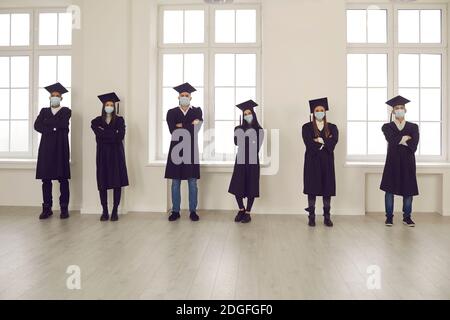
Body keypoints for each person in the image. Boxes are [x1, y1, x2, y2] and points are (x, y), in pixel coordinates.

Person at [165, 82, 203, 222]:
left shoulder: (197, 111)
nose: (185, 97)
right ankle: (175, 211)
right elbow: (172, 131)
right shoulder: (171, 112)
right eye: (182, 95)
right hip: (176, 149)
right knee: (175, 182)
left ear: (191, 98)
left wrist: (181, 125)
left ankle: (193, 211)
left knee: (192, 182)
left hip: (192, 151)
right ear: (178, 97)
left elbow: (196, 129)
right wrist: (189, 125)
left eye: (187, 95)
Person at [380, 95, 419, 227]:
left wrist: (399, 140)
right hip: (392, 162)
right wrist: (405, 138)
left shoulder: (413, 127)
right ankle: (389, 217)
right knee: (389, 190)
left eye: (402, 108)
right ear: (392, 111)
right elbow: (391, 140)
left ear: (405, 110)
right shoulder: (387, 127)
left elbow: (413, 146)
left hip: (408, 162)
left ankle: (407, 217)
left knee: (408, 190)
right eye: (396, 108)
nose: (399, 110)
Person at [34, 82, 71, 220]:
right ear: (49, 98)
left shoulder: (66, 111)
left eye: (57, 96)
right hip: (46, 150)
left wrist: (47, 124)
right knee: (46, 180)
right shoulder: (44, 111)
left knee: (63, 180)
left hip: (61, 149)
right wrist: (54, 128)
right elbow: (37, 125)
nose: (54, 97)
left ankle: (64, 208)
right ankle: (47, 208)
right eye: (52, 96)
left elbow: (63, 124)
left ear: (61, 98)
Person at [91, 92, 129, 222]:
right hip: (102, 155)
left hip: (116, 154)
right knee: (103, 182)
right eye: (107, 104)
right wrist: (112, 134)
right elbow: (101, 136)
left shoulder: (120, 120)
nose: (109, 106)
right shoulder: (96, 121)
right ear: (103, 106)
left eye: (111, 105)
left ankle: (114, 210)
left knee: (117, 182)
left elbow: (120, 136)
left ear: (114, 106)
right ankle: (105, 210)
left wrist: (104, 133)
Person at [302, 97, 339, 227]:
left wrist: (320, 141)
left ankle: (327, 217)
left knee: (326, 189)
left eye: (321, 110)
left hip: (327, 162)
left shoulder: (332, 127)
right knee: (312, 188)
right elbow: (308, 143)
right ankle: (311, 217)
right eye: (317, 110)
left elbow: (333, 143)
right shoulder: (306, 127)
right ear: (313, 112)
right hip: (312, 161)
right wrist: (325, 142)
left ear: (325, 112)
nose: (319, 112)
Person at [228, 100, 264, 224]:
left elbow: (256, 147)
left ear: (253, 114)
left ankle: (248, 212)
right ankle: (241, 209)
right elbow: (236, 142)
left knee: (251, 186)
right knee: (237, 185)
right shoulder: (238, 128)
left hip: (253, 160)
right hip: (240, 160)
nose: (247, 115)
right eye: (245, 114)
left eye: (249, 113)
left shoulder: (259, 130)